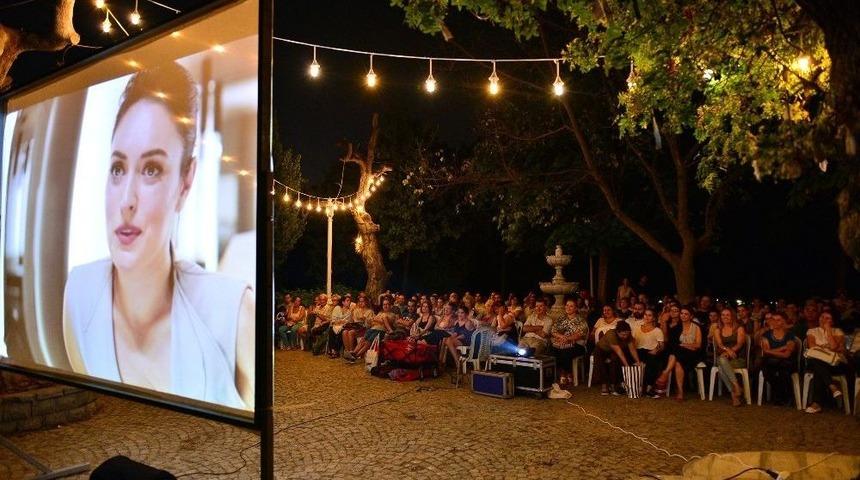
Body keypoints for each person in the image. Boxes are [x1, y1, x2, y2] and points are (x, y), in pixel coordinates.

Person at [62, 63, 254, 410]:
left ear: (186, 182)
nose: (126, 201)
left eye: (152, 169)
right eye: (118, 168)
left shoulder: (232, 314)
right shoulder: (80, 292)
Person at [804, 312, 848, 414]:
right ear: (819, 319)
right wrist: (827, 347)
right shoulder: (812, 331)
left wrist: (828, 330)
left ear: (832, 321)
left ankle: (816, 404)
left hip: (834, 363)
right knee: (817, 361)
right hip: (818, 360)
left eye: (828, 318)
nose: (824, 319)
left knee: (818, 367)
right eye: (823, 317)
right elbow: (812, 346)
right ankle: (832, 387)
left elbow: (833, 346)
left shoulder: (837, 331)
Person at [658, 306, 701, 401]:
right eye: (682, 313)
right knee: (677, 362)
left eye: (686, 314)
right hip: (680, 353)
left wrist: (685, 345)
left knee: (677, 352)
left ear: (691, 316)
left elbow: (698, 345)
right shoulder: (677, 327)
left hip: (693, 353)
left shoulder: (696, 327)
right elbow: (672, 343)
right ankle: (680, 392)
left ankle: (665, 373)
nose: (683, 316)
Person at [759, 311, 798, 406]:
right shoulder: (766, 335)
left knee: (782, 367)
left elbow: (787, 355)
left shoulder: (790, 335)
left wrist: (770, 351)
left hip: (786, 362)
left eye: (779, 320)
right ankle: (783, 395)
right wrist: (782, 348)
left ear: (784, 322)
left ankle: (781, 396)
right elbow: (765, 351)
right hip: (770, 362)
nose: (775, 322)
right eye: (773, 320)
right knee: (768, 367)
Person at [594, 321, 641, 395]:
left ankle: (614, 385)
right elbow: (619, 352)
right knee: (601, 363)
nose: (625, 336)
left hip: (613, 351)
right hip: (601, 350)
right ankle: (604, 385)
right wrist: (627, 366)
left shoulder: (628, 336)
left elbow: (632, 349)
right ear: (617, 332)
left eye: (627, 334)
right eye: (623, 335)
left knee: (615, 361)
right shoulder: (611, 334)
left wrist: (638, 361)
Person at [713, 308, 747, 407]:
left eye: (727, 315)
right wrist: (727, 350)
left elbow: (740, 343)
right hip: (724, 357)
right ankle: (736, 388)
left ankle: (734, 395)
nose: (725, 317)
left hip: (737, 357)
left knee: (721, 366)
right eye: (723, 315)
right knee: (722, 361)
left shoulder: (739, 328)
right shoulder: (717, 329)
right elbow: (719, 344)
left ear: (732, 316)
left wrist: (730, 352)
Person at [550, 300, 588, 386]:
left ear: (575, 308)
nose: (568, 308)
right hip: (562, 342)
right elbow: (553, 331)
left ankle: (567, 374)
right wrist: (562, 337)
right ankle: (563, 374)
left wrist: (567, 339)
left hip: (577, 344)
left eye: (571, 306)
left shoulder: (580, 319)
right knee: (553, 350)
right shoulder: (561, 318)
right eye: (567, 305)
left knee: (566, 352)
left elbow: (580, 334)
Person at [633, 309, 665, 397]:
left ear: (654, 318)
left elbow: (661, 346)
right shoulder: (637, 328)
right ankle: (630, 386)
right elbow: (633, 343)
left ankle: (648, 388)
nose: (647, 317)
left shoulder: (657, 331)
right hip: (639, 351)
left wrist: (656, 350)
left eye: (650, 315)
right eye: (645, 315)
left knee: (652, 360)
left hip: (651, 351)